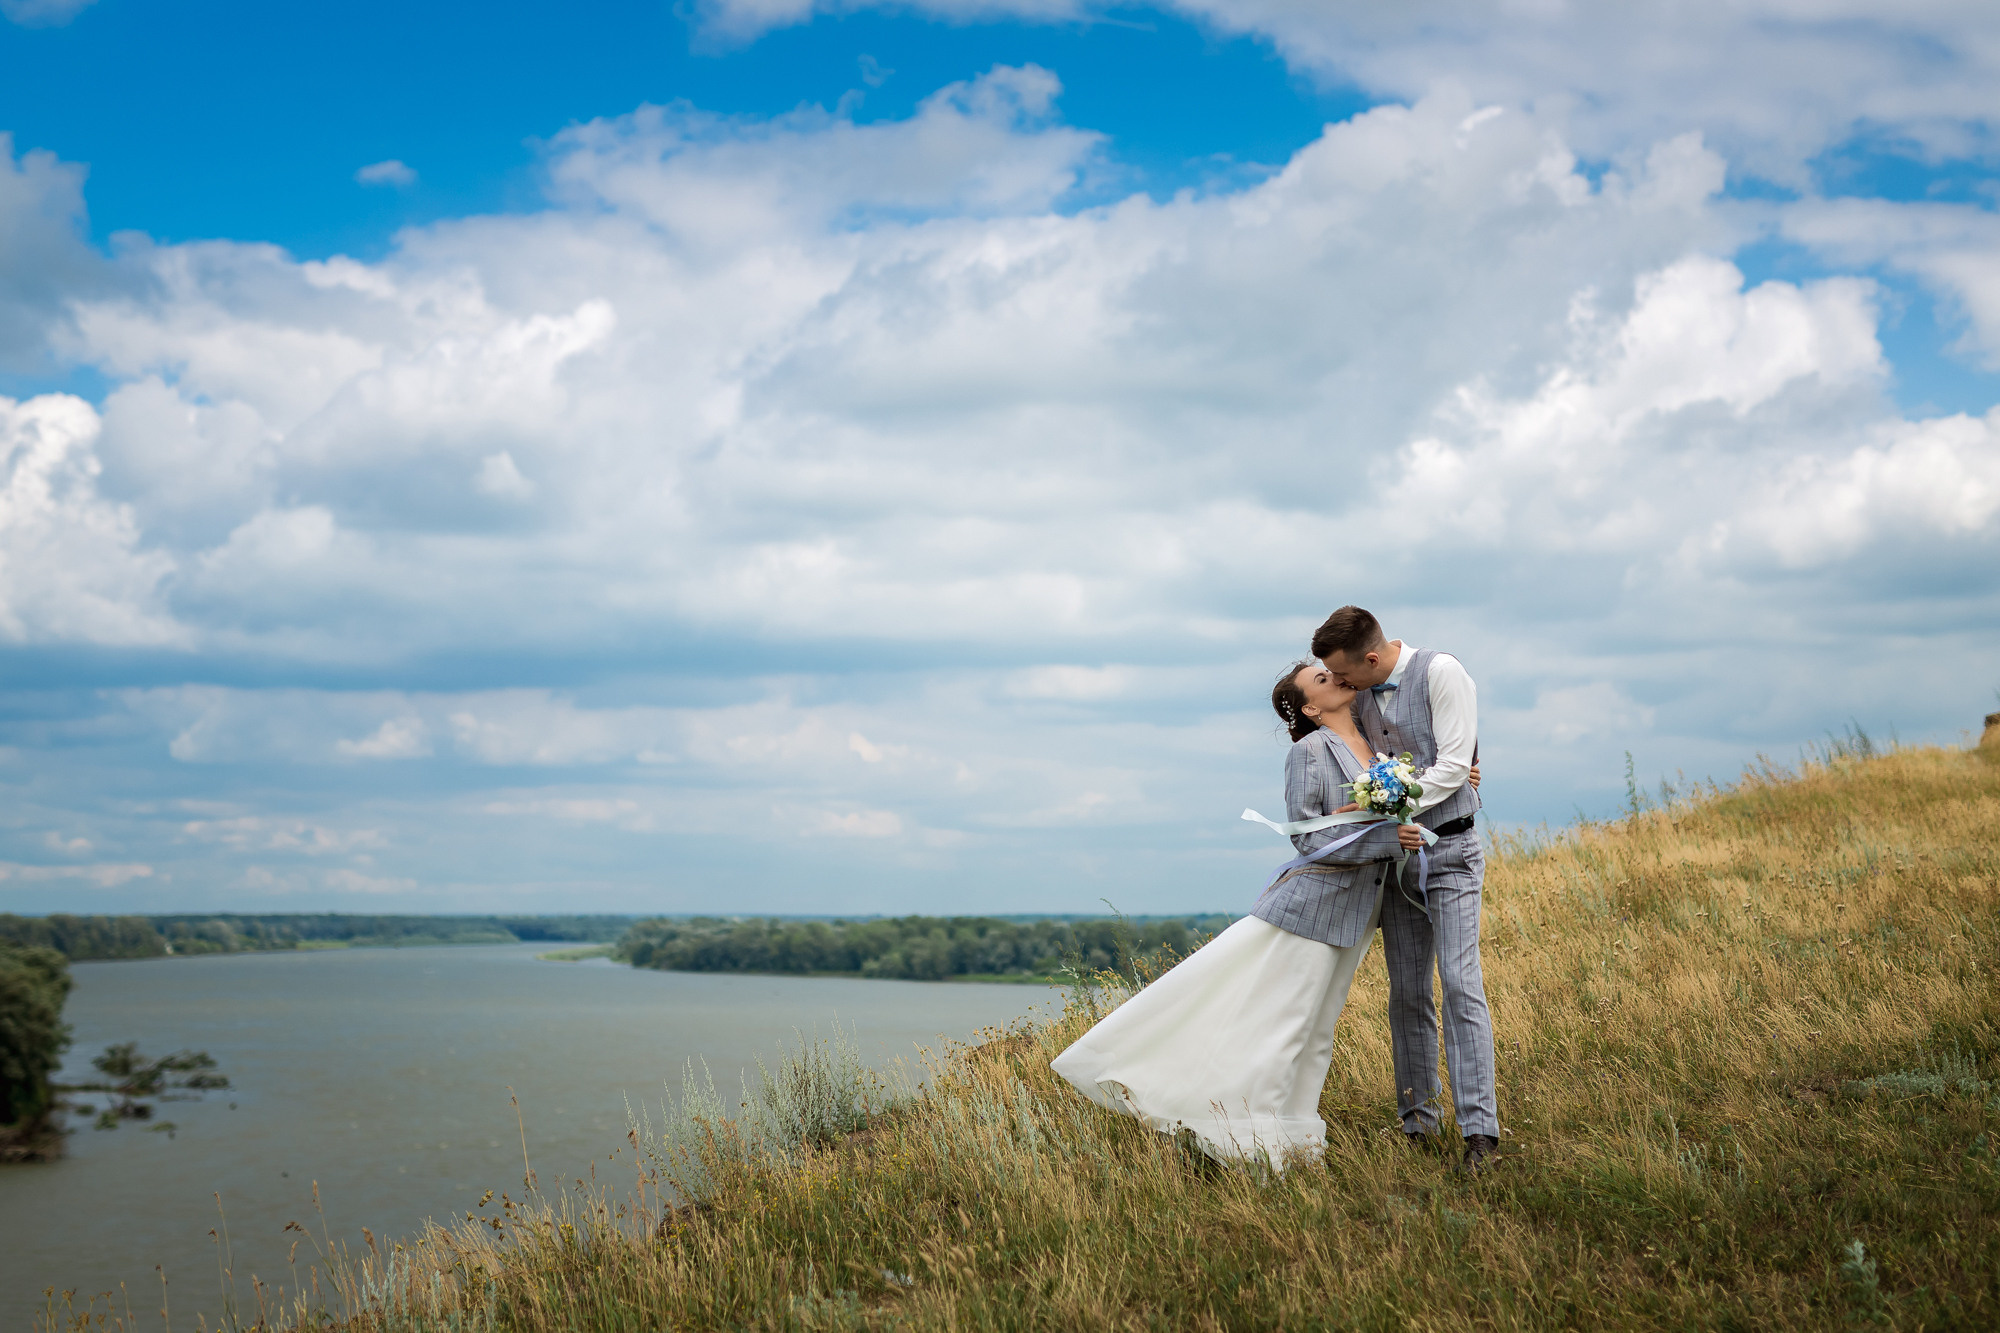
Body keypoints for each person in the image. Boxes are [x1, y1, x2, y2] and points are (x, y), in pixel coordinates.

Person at [1047, 660, 1476, 1169]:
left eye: (1335, 671)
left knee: (1316, 1031)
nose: (1337, 676)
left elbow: (1415, 790)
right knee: (1286, 1028)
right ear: (1311, 708)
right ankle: (1252, 1141)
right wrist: (1388, 838)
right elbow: (1306, 835)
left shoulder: (1377, 746)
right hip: (1312, 907)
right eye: (1322, 679)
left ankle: (1296, 1141)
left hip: (1354, 916)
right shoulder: (1309, 751)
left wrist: (1455, 779)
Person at [1312, 605, 1498, 1174]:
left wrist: (1384, 796)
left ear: (1372, 659)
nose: (1341, 685)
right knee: (1407, 994)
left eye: (1345, 675)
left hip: (1452, 853)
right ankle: (1418, 1124)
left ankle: (1480, 1135)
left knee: (1462, 985)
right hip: (1396, 862)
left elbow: (1450, 765)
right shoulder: (1357, 695)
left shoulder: (1443, 673)